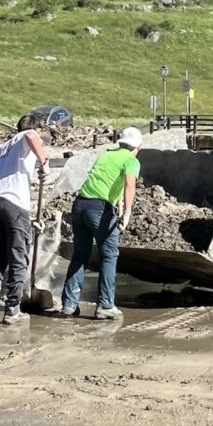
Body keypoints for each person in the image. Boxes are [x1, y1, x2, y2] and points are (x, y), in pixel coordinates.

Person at [59, 126, 142, 321]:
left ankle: (69, 304)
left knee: (80, 255)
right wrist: (128, 213)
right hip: (99, 209)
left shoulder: (106, 156)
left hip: (80, 205)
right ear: (138, 147)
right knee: (109, 255)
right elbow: (130, 184)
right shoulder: (131, 160)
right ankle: (105, 305)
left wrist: (119, 207)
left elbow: (111, 183)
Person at [0, 113, 50, 326]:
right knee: (19, 256)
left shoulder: (5, 146)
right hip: (13, 201)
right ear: (37, 128)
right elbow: (31, 135)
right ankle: (13, 309)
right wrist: (45, 163)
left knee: (1, 248)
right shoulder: (27, 136)